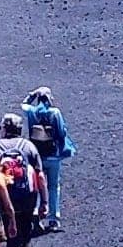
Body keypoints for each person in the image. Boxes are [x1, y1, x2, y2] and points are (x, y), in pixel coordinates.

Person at [0, 113, 48, 247]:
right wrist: (44, 201)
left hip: (7, 196)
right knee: (25, 231)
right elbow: (40, 175)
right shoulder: (29, 146)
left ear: (5, 129)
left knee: (11, 233)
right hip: (28, 196)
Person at [21, 87, 76, 231]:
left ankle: (36, 214)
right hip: (53, 156)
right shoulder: (55, 113)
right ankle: (53, 218)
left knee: (38, 186)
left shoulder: (32, 112)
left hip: (37, 156)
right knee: (53, 186)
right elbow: (62, 132)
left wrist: (31, 95)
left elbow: (23, 105)